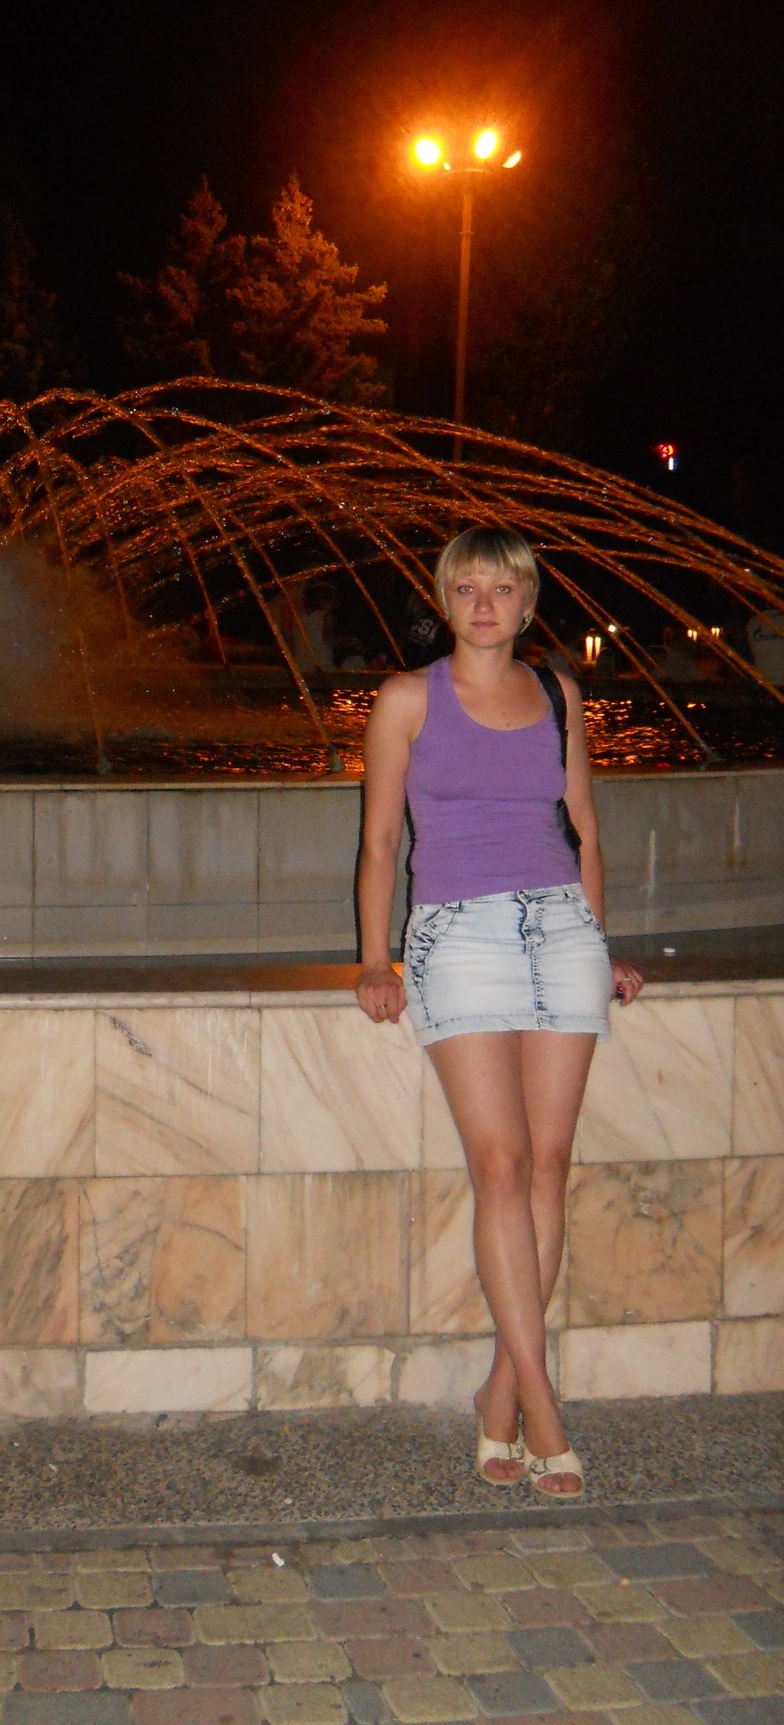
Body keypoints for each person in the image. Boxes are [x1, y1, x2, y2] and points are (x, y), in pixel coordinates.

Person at [355, 527, 643, 1499]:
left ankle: (500, 1393)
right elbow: (381, 841)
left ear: (528, 602)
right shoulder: (407, 699)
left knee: (550, 1165)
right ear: (445, 601)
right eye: (467, 587)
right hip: (458, 935)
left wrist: (598, 941)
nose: (484, 603)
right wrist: (375, 958)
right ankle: (543, 1405)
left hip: (560, 928)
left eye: (503, 587)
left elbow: (584, 828)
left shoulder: (559, 694)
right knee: (503, 1164)